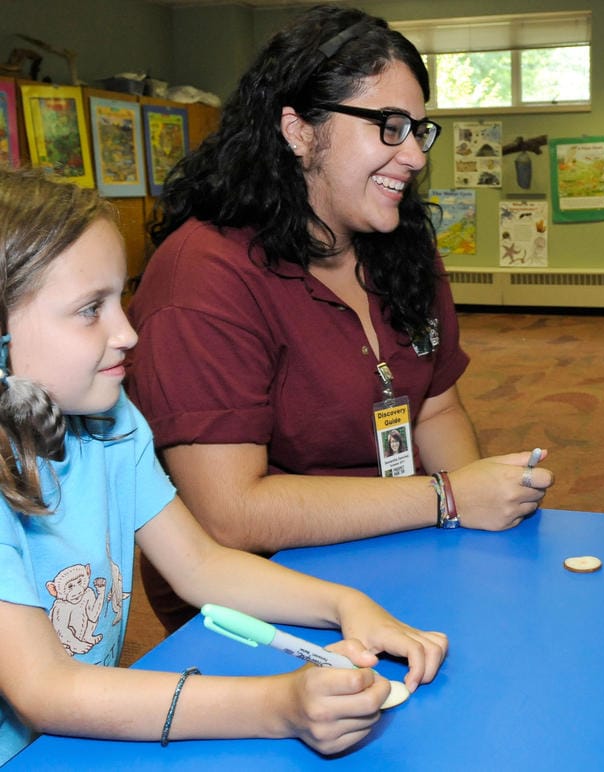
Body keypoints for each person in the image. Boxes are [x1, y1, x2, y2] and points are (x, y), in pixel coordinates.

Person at [0, 166, 447, 763]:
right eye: (90, 309)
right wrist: (276, 708)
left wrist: (345, 604)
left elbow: (201, 565)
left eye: (120, 297)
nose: (128, 332)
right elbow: (45, 689)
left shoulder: (111, 421)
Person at [126, 6, 554, 630]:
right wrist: (450, 498)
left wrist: (469, 534)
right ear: (298, 130)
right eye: (389, 125)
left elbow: (435, 407)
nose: (412, 155)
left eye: (418, 130)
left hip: (399, 538)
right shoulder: (204, 276)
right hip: (264, 590)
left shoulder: (403, 246)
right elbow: (231, 514)